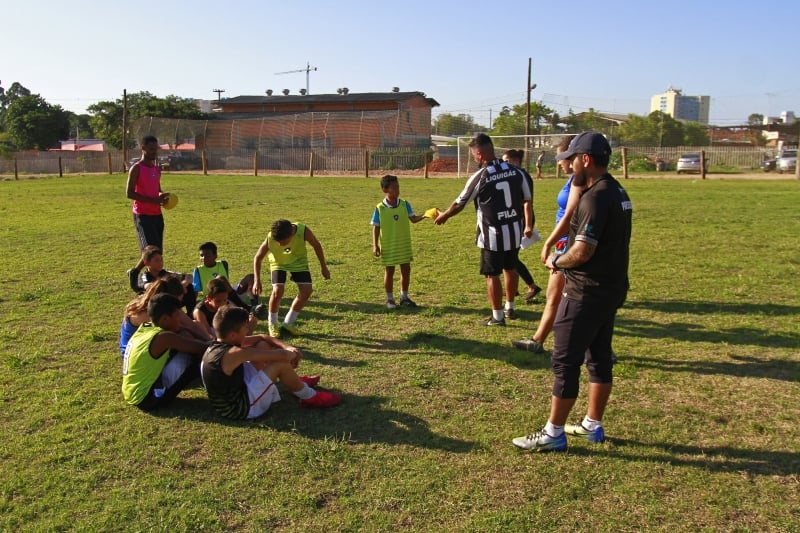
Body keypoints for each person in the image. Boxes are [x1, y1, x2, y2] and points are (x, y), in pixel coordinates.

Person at [512, 131, 632, 452]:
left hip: (585, 292)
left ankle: (553, 433)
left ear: (586, 160)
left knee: (565, 362)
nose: (570, 162)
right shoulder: (617, 191)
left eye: (574, 157)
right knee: (599, 357)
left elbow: (582, 252)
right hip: (610, 289)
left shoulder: (594, 198)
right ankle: (593, 425)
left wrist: (556, 259)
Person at [434, 133, 533, 326]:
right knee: (510, 268)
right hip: (514, 231)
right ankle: (510, 307)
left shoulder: (481, 176)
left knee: (492, 274)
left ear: (479, 154)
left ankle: (497, 317)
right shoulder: (517, 171)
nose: (472, 158)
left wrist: (444, 215)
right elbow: (527, 199)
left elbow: (460, 202)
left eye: (473, 155)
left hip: (492, 235)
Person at [201, 305, 341, 419]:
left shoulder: (218, 344)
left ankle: (295, 382)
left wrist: (288, 347)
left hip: (234, 390)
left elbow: (263, 337)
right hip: (240, 408)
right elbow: (281, 356)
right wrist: (293, 354)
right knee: (279, 364)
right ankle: (309, 397)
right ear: (232, 334)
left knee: (262, 344)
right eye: (245, 329)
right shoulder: (234, 353)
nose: (247, 331)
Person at [512, 136, 584, 353]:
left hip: (569, 244)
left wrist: (550, 243)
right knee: (562, 297)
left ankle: (538, 341)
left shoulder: (580, 181)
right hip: (565, 243)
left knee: (563, 298)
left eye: (562, 157)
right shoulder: (573, 180)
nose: (560, 162)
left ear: (573, 157)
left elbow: (571, 215)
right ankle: (538, 340)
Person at [122, 293, 210, 411]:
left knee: (185, 339)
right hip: (149, 398)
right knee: (197, 358)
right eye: (177, 316)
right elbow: (203, 348)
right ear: (165, 319)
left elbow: (184, 331)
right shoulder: (164, 337)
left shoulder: (145, 328)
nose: (180, 320)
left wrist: (186, 329)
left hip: (132, 393)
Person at [253, 219, 331, 338]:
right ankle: (272, 324)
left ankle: (288, 323)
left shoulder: (303, 231)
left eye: (283, 242)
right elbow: (258, 258)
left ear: (291, 235)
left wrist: (324, 267)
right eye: (277, 241)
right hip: (278, 263)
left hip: (298, 262)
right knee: (278, 290)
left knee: (307, 290)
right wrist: (257, 281)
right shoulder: (271, 238)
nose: (279, 244)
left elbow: (316, 245)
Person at [119, 275, 212, 359]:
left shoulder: (160, 305)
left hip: (150, 347)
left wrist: (211, 342)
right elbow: (177, 332)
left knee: (193, 327)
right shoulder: (145, 313)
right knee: (184, 335)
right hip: (137, 355)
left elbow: (192, 325)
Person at [371, 174, 425, 309]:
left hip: (403, 243)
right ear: (385, 190)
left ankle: (404, 297)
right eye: (394, 187)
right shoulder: (379, 208)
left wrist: (425, 215)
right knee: (389, 270)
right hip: (389, 245)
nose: (397, 190)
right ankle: (390, 300)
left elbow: (413, 219)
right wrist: (375, 245)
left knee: (406, 269)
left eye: (398, 187)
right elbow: (376, 227)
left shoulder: (404, 204)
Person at [502, 150, 543, 307]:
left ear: (516, 160)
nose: (504, 163)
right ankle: (514, 288)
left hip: (522, 218)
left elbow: (527, 201)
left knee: (510, 256)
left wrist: (527, 224)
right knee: (509, 255)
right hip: (516, 218)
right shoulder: (515, 173)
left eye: (506, 160)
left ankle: (532, 286)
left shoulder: (520, 175)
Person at [126, 135, 169, 271]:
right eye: (151, 149)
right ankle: (142, 276)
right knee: (150, 251)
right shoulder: (136, 168)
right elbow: (129, 193)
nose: (154, 152)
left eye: (156, 149)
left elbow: (157, 190)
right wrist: (153, 200)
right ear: (143, 148)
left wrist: (162, 196)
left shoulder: (156, 169)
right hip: (143, 215)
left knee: (157, 251)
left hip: (157, 214)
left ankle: (136, 273)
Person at [130, 245, 197, 314]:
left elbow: (189, 276)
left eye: (161, 259)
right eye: (157, 260)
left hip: (169, 301)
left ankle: (191, 314)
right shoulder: (144, 276)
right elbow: (149, 286)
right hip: (153, 305)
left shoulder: (165, 273)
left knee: (189, 287)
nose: (160, 263)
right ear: (146, 263)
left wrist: (183, 284)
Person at [191, 241, 252, 307]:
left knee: (251, 277)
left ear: (215, 255)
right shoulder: (198, 270)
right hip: (214, 299)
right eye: (201, 255)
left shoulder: (223, 264)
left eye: (207, 255)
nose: (204, 258)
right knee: (221, 278)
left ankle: (254, 304)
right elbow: (195, 290)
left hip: (229, 293)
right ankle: (245, 307)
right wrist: (193, 305)